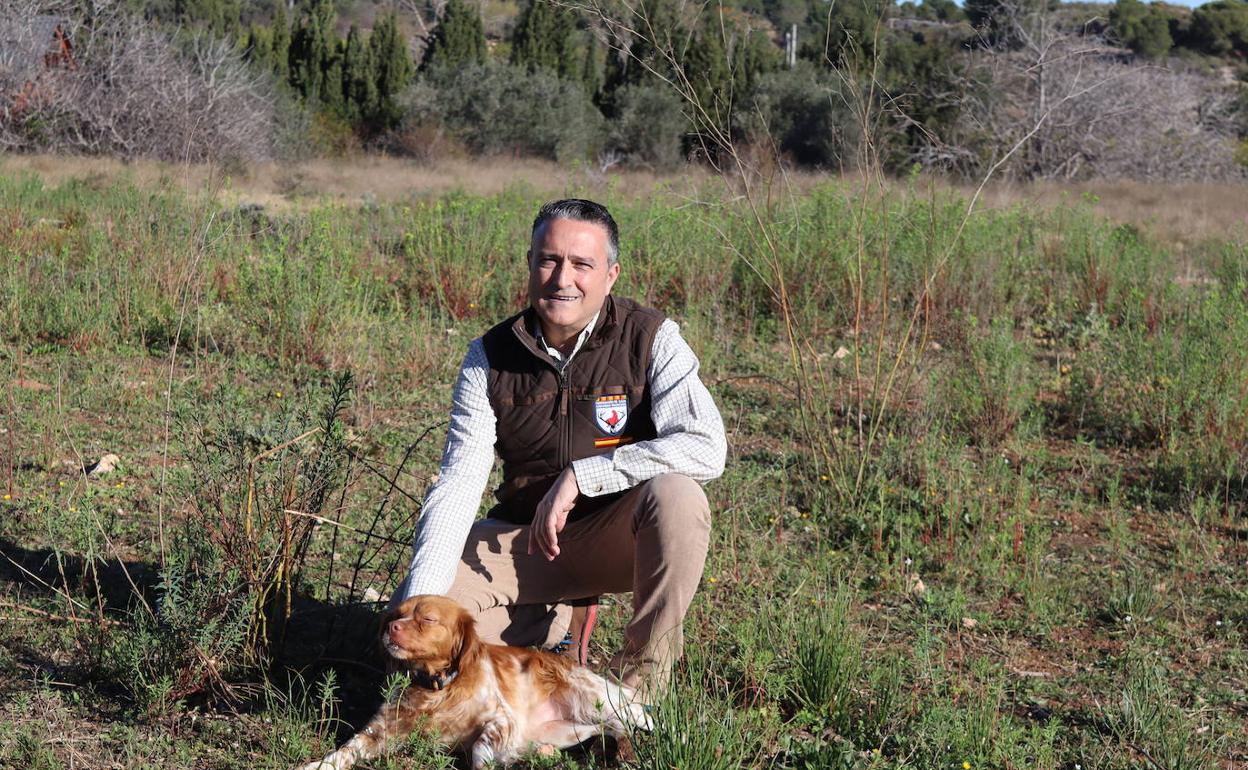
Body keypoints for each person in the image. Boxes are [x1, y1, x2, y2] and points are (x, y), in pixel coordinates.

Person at [392, 198, 726, 695]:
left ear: (611, 275)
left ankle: (636, 699)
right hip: (524, 543)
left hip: (616, 538)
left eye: (581, 264)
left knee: (678, 496)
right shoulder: (488, 356)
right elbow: (461, 480)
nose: (561, 278)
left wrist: (583, 476)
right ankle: (557, 626)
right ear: (529, 264)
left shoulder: (652, 338)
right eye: (548, 260)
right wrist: (423, 599)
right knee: (422, 643)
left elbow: (706, 447)